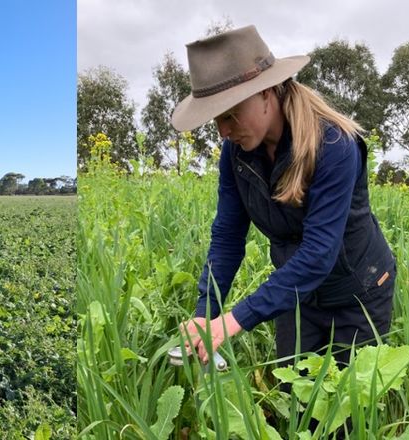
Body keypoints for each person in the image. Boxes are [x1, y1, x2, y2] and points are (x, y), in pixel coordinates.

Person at [170, 25, 397, 372]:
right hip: (297, 296)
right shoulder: (237, 155)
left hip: (358, 294)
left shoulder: (334, 145)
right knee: (295, 397)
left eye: (231, 114)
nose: (223, 131)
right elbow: (228, 237)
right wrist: (206, 313)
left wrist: (234, 321)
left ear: (268, 92)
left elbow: (319, 253)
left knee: (346, 417)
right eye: (217, 119)